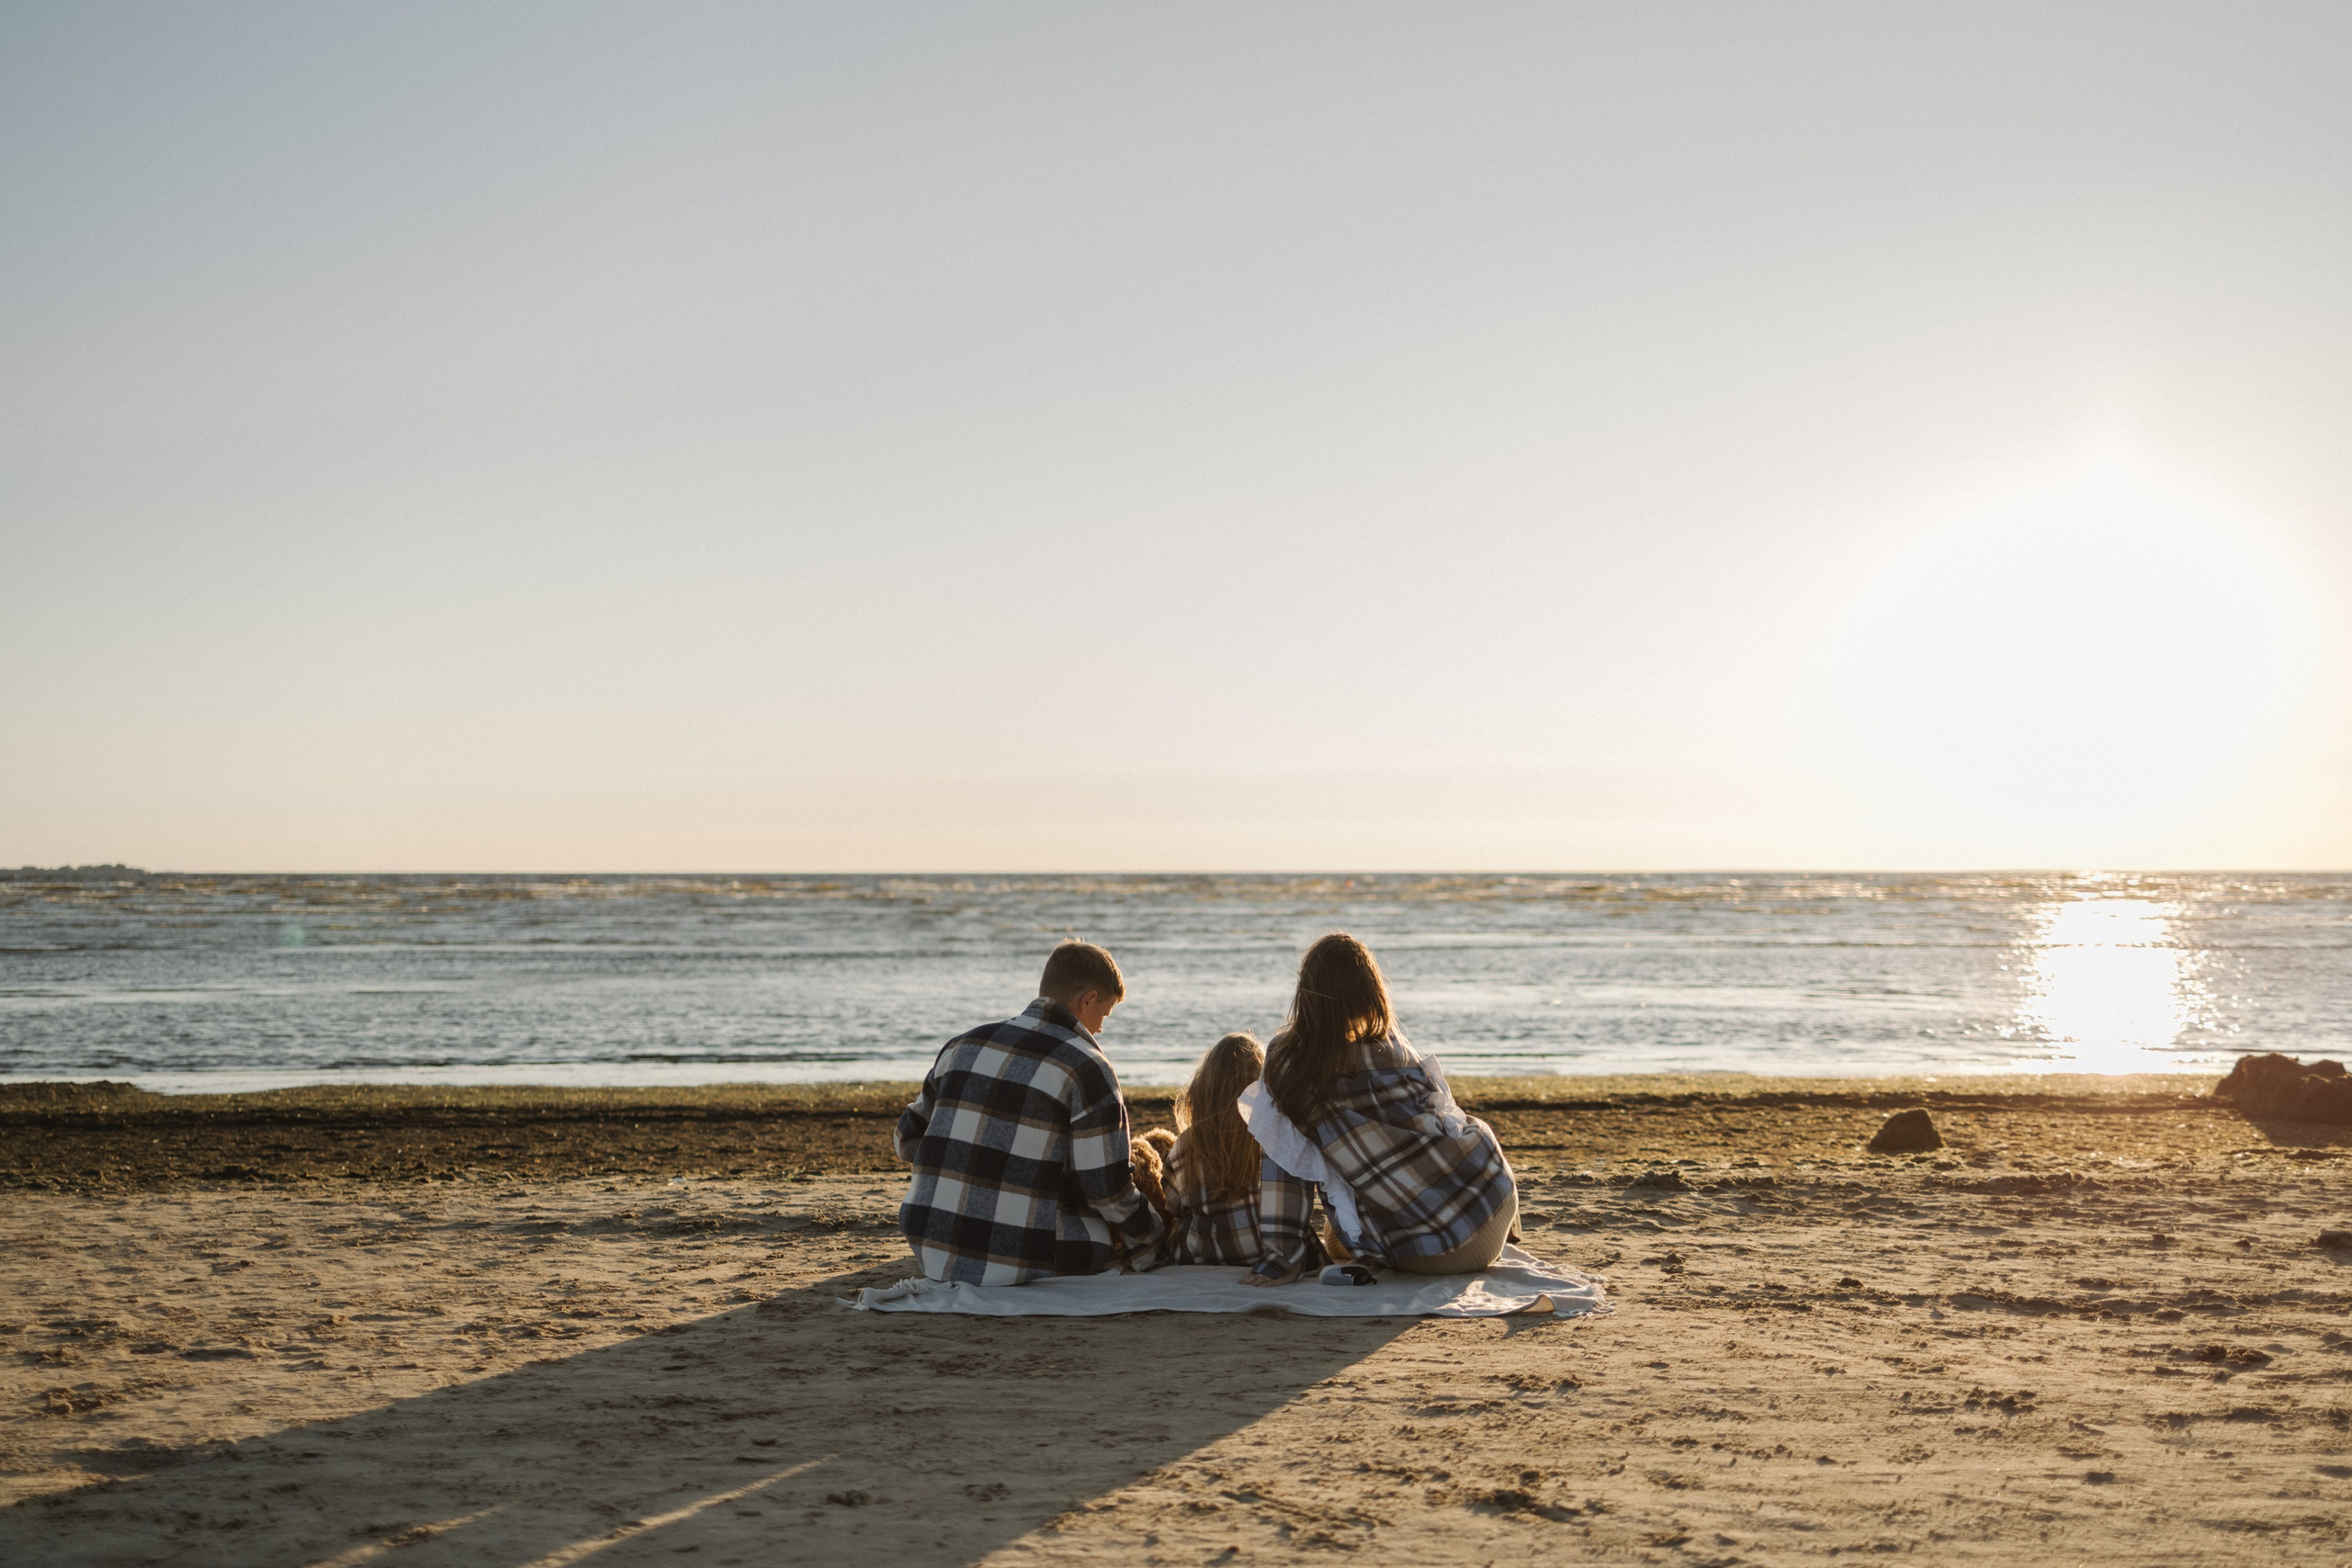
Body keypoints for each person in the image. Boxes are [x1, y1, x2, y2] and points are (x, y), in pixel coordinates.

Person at [1240, 932, 1517, 1286]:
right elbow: (1444, 1120)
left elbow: (1283, 1157)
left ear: (1306, 993)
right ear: (1372, 989)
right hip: (1493, 1206)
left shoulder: (1290, 1059)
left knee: (1337, 1233)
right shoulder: (1396, 1043)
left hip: (1432, 1252)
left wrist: (1282, 1258)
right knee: (1467, 1132)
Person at [895, 941, 1166, 1284]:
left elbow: (906, 1140)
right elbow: (1106, 1190)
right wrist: (1153, 1236)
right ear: (1088, 1000)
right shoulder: (1089, 1068)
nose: (1099, 1028)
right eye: (1105, 1015)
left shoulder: (962, 1045)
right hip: (1030, 1257)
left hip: (933, 1245)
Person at [1153, 1032, 1271, 1265]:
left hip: (1202, 1256)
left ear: (1205, 1088)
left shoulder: (1187, 1145)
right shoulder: (1270, 1139)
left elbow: (1172, 1205)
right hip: (1264, 1254)